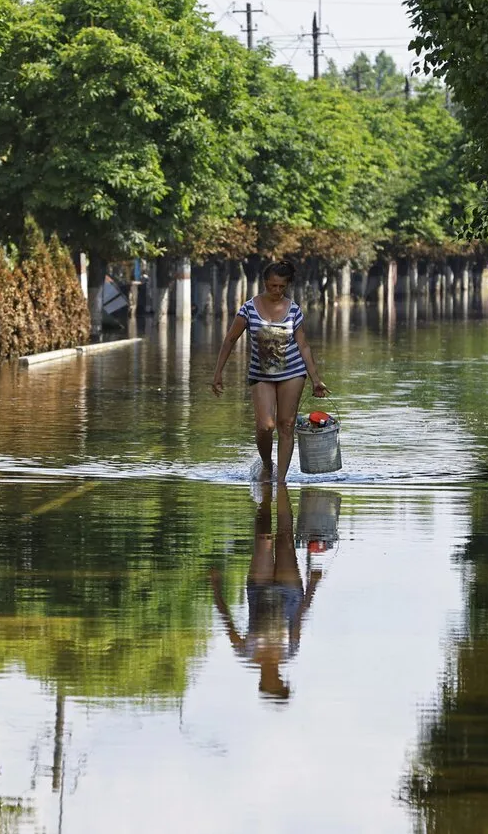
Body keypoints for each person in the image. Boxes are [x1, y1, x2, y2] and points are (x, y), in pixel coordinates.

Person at [211, 260, 329, 482]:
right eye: (273, 285)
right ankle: (267, 465)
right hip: (261, 374)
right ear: (265, 283)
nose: (277, 290)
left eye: (282, 286)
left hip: (292, 372)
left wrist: (315, 379)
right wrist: (218, 373)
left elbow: (303, 345)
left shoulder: (293, 310)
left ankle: (281, 481)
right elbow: (229, 340)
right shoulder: (248, 309)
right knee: (265, 426)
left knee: (287, 424)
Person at [209, 483, 322, 700]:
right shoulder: (290, 652)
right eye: (280, 682)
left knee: (263, 538)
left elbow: (227, 620)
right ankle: (277, 488)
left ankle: (265, 496)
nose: (278, 678)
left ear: (263, 683)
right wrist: (312, 585)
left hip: (258, 590)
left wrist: (215, 586)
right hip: (290, 593)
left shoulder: (246, 653)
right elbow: (299, 617)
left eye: (276, 683)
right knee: (285, 538)